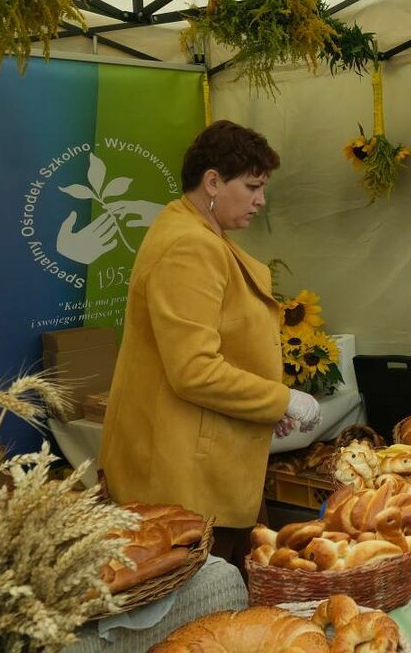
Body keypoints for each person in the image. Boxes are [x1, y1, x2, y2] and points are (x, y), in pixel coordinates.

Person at [100, 120, 321, 571]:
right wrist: (282, 398)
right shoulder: (189, 246)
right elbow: (194, 370)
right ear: (213, 181)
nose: (261, 200)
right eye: (253, 186)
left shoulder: (194, 230)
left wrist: (264, 406)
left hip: (198, 455)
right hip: (183, 475)